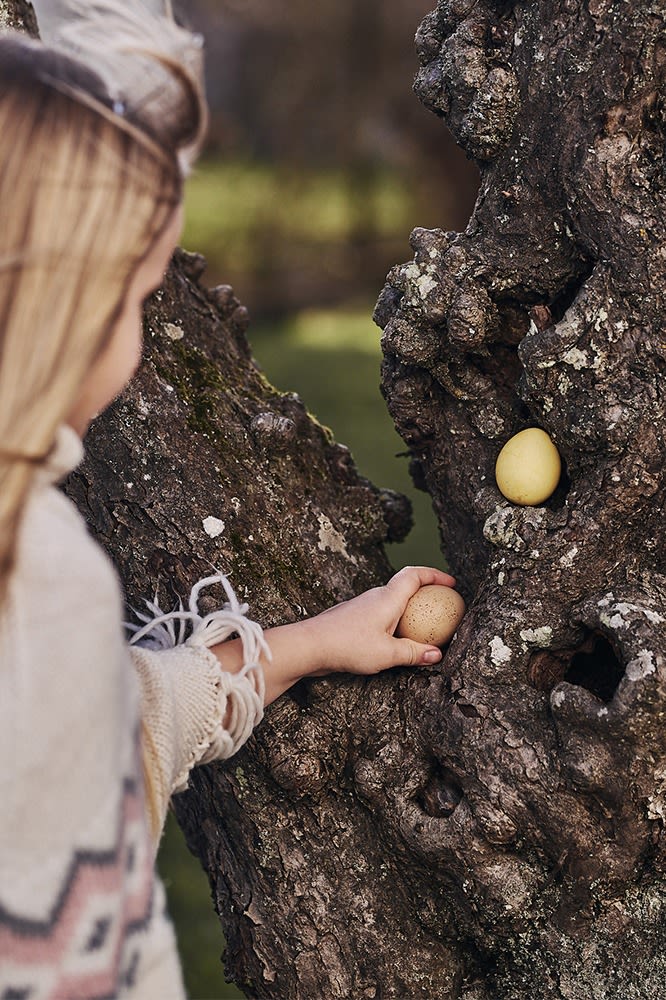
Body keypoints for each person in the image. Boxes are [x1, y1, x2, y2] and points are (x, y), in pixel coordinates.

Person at [0, 3, 456, 998]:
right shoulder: (38, 578)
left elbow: (124, 719)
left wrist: (313, 643)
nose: (138, 330)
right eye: (133, 295)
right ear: (52, 309)